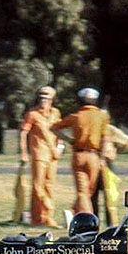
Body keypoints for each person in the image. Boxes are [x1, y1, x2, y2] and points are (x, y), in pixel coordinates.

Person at [51, 87, 110, 215]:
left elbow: (54, 128)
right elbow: (105, 139)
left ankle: (74, 212)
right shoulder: (102, 116)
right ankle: (86, 217)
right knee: (89, 190)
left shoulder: (75, 116)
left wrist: (69, 140)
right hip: (94, 156)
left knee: (83, 191)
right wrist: (103, 157)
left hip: (78, 155)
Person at [19, 85, 63, 227]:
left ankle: (44, 218)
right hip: (39, 153)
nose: (44, 99)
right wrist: (24, 152)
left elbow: (59, 132)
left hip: (53, 155)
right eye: (42, 96)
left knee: (49, 185)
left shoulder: (56, 113)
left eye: (47, 97)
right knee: (38, 186)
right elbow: (23, 133)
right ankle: (41, 217)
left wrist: (60, 148)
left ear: (52, 99)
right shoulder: (32, 114)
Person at [93, 123, 128, 225]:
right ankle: (94, 221)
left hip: (107, 164)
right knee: (92, 196)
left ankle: (111, 223)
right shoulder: (91, 127)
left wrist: (115, 148)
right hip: (92, 163)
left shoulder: (110, 129)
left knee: (110, 195)